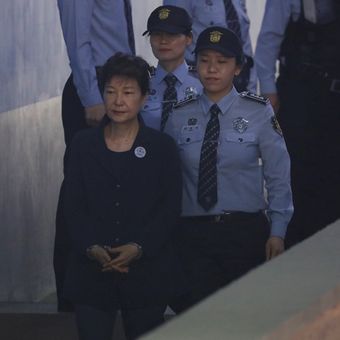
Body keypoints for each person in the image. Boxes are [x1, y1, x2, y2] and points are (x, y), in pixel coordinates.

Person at [165, 26, 293, 312]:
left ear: (237, 68)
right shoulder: (178, 114)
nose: (212, 69)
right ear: (195, 65)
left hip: (243, 234)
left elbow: (278, 174)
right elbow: (166, 179)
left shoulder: (258, 112)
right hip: (193, 236)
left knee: (244, 317)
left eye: (221, 62)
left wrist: (278, 230)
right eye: (205, 60)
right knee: (198, 318)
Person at [62, 53, 185, 340]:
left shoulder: (161, 147)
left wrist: (139, 247)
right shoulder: (83, 145)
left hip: (146, 273)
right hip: (91, 272)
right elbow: (73, 205)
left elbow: (169, 209)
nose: (118, 101)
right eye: (111, 92)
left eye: (128, 93)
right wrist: (90, 246)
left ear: (144, 98)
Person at [54, 0, 135, 311]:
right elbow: (77, 39)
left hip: (115, 81)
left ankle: (110, 285)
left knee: (116, 187)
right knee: (81, 188)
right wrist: (91, 96)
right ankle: (71, 292)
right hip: (95, 89)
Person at [255, 0, 340, 247]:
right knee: (299, 178)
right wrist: (268, 89)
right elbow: (268, 40)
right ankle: (294, 250)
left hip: (334, 102)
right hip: (301, 95)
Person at [163, 0, 256, 92]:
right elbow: (170, 43)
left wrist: (251, 87)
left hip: (238, 83)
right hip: (197, 85)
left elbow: (245, 44)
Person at [140, 5, 202, 131]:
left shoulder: (203, 83)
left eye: (171, 34)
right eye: (157, 34)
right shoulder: (141, 83)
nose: (163, 41)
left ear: (189, 38)